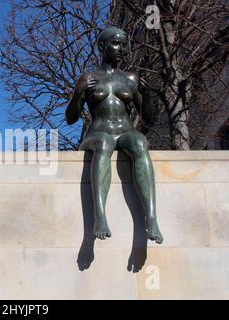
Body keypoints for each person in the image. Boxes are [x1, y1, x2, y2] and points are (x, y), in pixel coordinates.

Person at [65, 27, 163, 244]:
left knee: (139, 142)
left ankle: (152, 217)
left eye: (124, 44)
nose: (122, 49)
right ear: (102, 46)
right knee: (104, 142)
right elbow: (70, 119)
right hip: (97, 134)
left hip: (125, 132)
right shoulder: (89, 79)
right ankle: (99, 216)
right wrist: (78, 93)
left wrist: (146, 96)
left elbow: (148, 118)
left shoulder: (130, 79)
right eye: (116, 44)